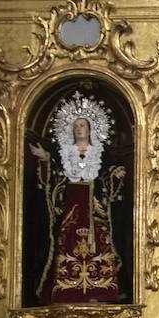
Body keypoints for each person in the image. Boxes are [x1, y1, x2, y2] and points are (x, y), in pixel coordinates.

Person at [29, 92, 128, 303]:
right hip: (71, 203)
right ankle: (66, 290)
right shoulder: (62, 151)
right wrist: (45, 158)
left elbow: (108, 171)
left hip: (94, 204)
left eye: (83, 125)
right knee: (67, 239)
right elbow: (53, 175)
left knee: (99, 241)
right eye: (76, 125)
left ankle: (101, 290)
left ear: (90, 128)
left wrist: (115, 173)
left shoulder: (101, 152)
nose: (79, 129)